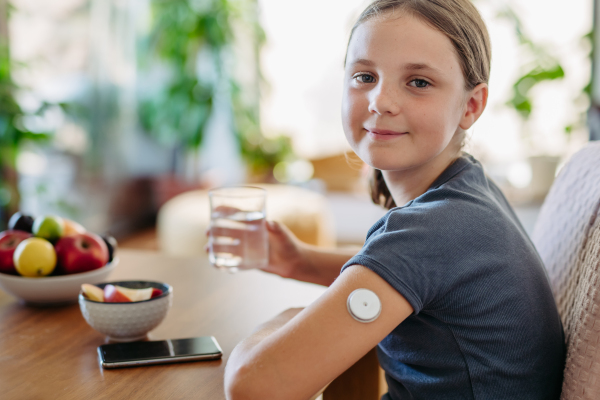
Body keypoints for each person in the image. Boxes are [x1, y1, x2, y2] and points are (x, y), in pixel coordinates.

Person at [221, 0, 566, 398]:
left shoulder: (433, 230)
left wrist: (290, 319)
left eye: (418, 82)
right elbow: (420, 276)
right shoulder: (467, 190)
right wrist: (300, 261)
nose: (380, 101)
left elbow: (254, 386)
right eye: (364, 76)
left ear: (470, 105)